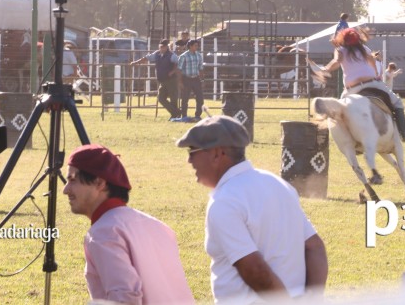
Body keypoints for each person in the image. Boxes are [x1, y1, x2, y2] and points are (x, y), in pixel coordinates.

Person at [176, 116, 327, 303]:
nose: (189, 160)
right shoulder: (278, 184)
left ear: (217, 153)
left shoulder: (224, 202)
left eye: (193, 151)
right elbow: (314, 247)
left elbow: (255, 271)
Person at [62, 144, 194, 304]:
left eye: (72, 180)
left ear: (99, 183)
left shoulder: (104, 232)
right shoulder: (157, 226)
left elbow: (124, 298)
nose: (65, 189)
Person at [321, 27, 405, 143]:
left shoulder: (340, 50)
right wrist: (376, 73)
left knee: (340, 114)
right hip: (372, 83)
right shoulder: (364, 49)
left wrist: (325, 69)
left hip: (352, 89)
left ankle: (347, 140)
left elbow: (336, 62)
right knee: (397, 103)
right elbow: (372, 61)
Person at [131, 39, 181, 121]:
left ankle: (174, 115)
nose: (161, 48)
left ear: (166, 47)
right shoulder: (157, 54)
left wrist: (172, 72)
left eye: (163, 47)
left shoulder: (172, 55)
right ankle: (176, 112)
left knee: (173, 98)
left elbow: (178, 63)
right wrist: (136, 62)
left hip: (171, 80)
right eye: (160, 47)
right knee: (161, 98)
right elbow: (147, 58)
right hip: (162, 80)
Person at [178, 39, 205, 123]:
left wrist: (202, 79)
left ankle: (198, 115)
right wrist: (180, 82)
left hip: (196, 78)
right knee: (185, 98)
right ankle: (184, 116)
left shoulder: (199, 55)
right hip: (187, 78)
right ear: (190, 46)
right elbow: (179, 69)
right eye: (195, 45)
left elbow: (200, 68)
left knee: (200, 98)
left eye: (197, 45)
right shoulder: (183, 56)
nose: (197, 47)